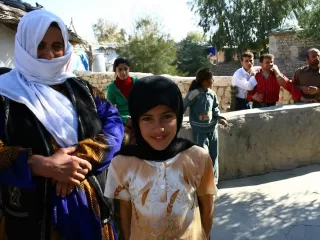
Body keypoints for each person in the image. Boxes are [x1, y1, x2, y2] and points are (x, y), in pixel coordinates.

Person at [0, 10, 124, 240]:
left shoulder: (83, 90)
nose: (49, 55)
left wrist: (80, 158)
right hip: (29, 222)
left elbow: (114, 124)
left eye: (57, 45)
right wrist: (39, 164)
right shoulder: (4, 93)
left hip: (91, 213)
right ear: (24, 45)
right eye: (40, 45)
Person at [104, 76, 215, 240]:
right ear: (135, 121)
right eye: (147, 118)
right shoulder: (122, 163)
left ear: (177, 116)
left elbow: (207, 209)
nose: (158, 128)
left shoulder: (198, 157)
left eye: (167, 116)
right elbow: (124, 214)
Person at [184, 68, 228, 185]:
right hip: (200, 130)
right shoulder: (194, 94)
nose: (213, 81)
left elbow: (215, 108)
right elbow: (183, 106)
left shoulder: (212, 94)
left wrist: (220, 118)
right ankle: (202, 182)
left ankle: (214, 181)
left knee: (214, 156)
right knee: (202, 156)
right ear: (205, 81)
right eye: (211, 79)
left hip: (212, 129)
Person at [107, 58, 138, 144]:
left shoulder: (137, 84)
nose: (123, 72)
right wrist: (124, 119)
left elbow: (144, 102)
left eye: (125, 69)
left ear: (129, 69)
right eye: (120, 69)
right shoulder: (112, 88)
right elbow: (109, 110)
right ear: (115, 70)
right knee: (125, 140)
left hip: (139, 118)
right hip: (123, 122)